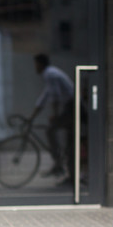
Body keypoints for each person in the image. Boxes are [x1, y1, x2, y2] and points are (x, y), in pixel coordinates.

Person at [29, 54, 75, 182]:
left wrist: (55, 114)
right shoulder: (50, 74)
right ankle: (64, 167)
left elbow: (55, 95)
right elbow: (45, 97)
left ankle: (58, 160)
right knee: (70, 140)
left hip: (72, 107)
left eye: (36, 64)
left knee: (51, 130)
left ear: (41, 64)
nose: (35, 67)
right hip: (70, 106)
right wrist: (32, 116)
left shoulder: (50, 74)